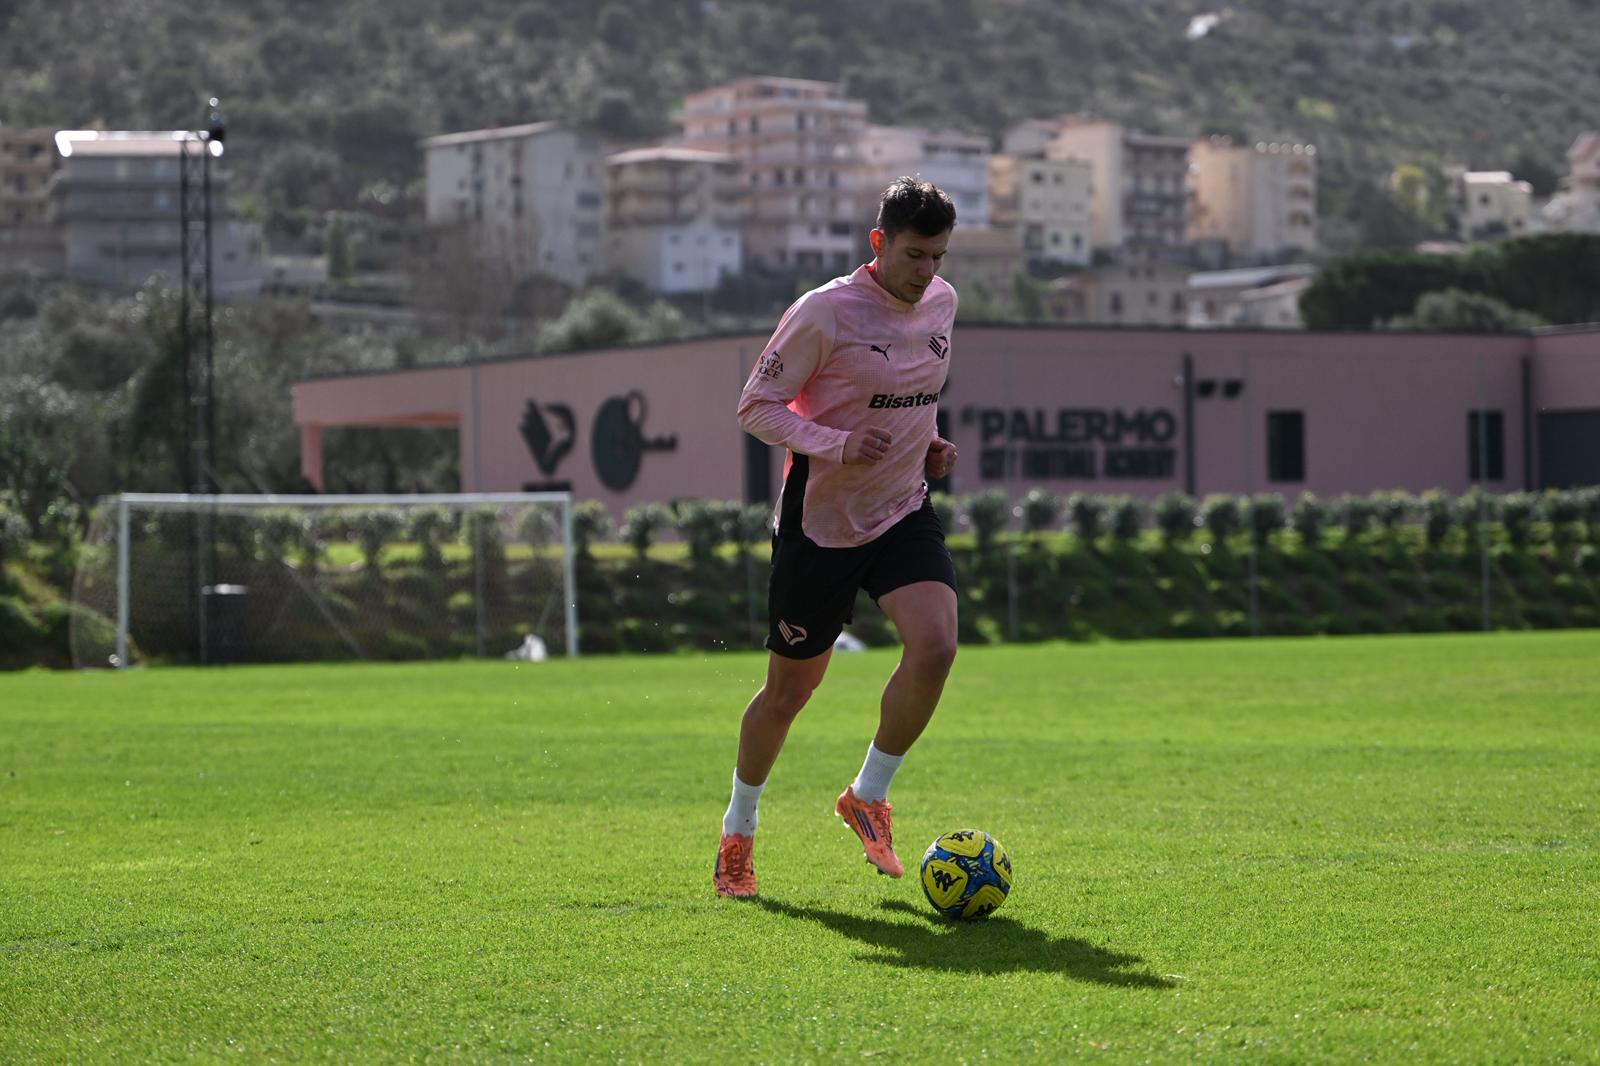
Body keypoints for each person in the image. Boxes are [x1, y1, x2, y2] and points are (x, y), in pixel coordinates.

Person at [715, 176, 961, 898]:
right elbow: (755, 408)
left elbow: (911, 397)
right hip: (820, 523)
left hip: (902, 508)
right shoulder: (824, 312)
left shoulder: (943, 303)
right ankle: (739, 829)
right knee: (790, 692)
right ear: (879, 243)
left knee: (937, 644)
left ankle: (868, 795)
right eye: (915, 255)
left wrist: (931, 445)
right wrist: (834, 444)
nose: (927, 273)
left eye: (939, 257)